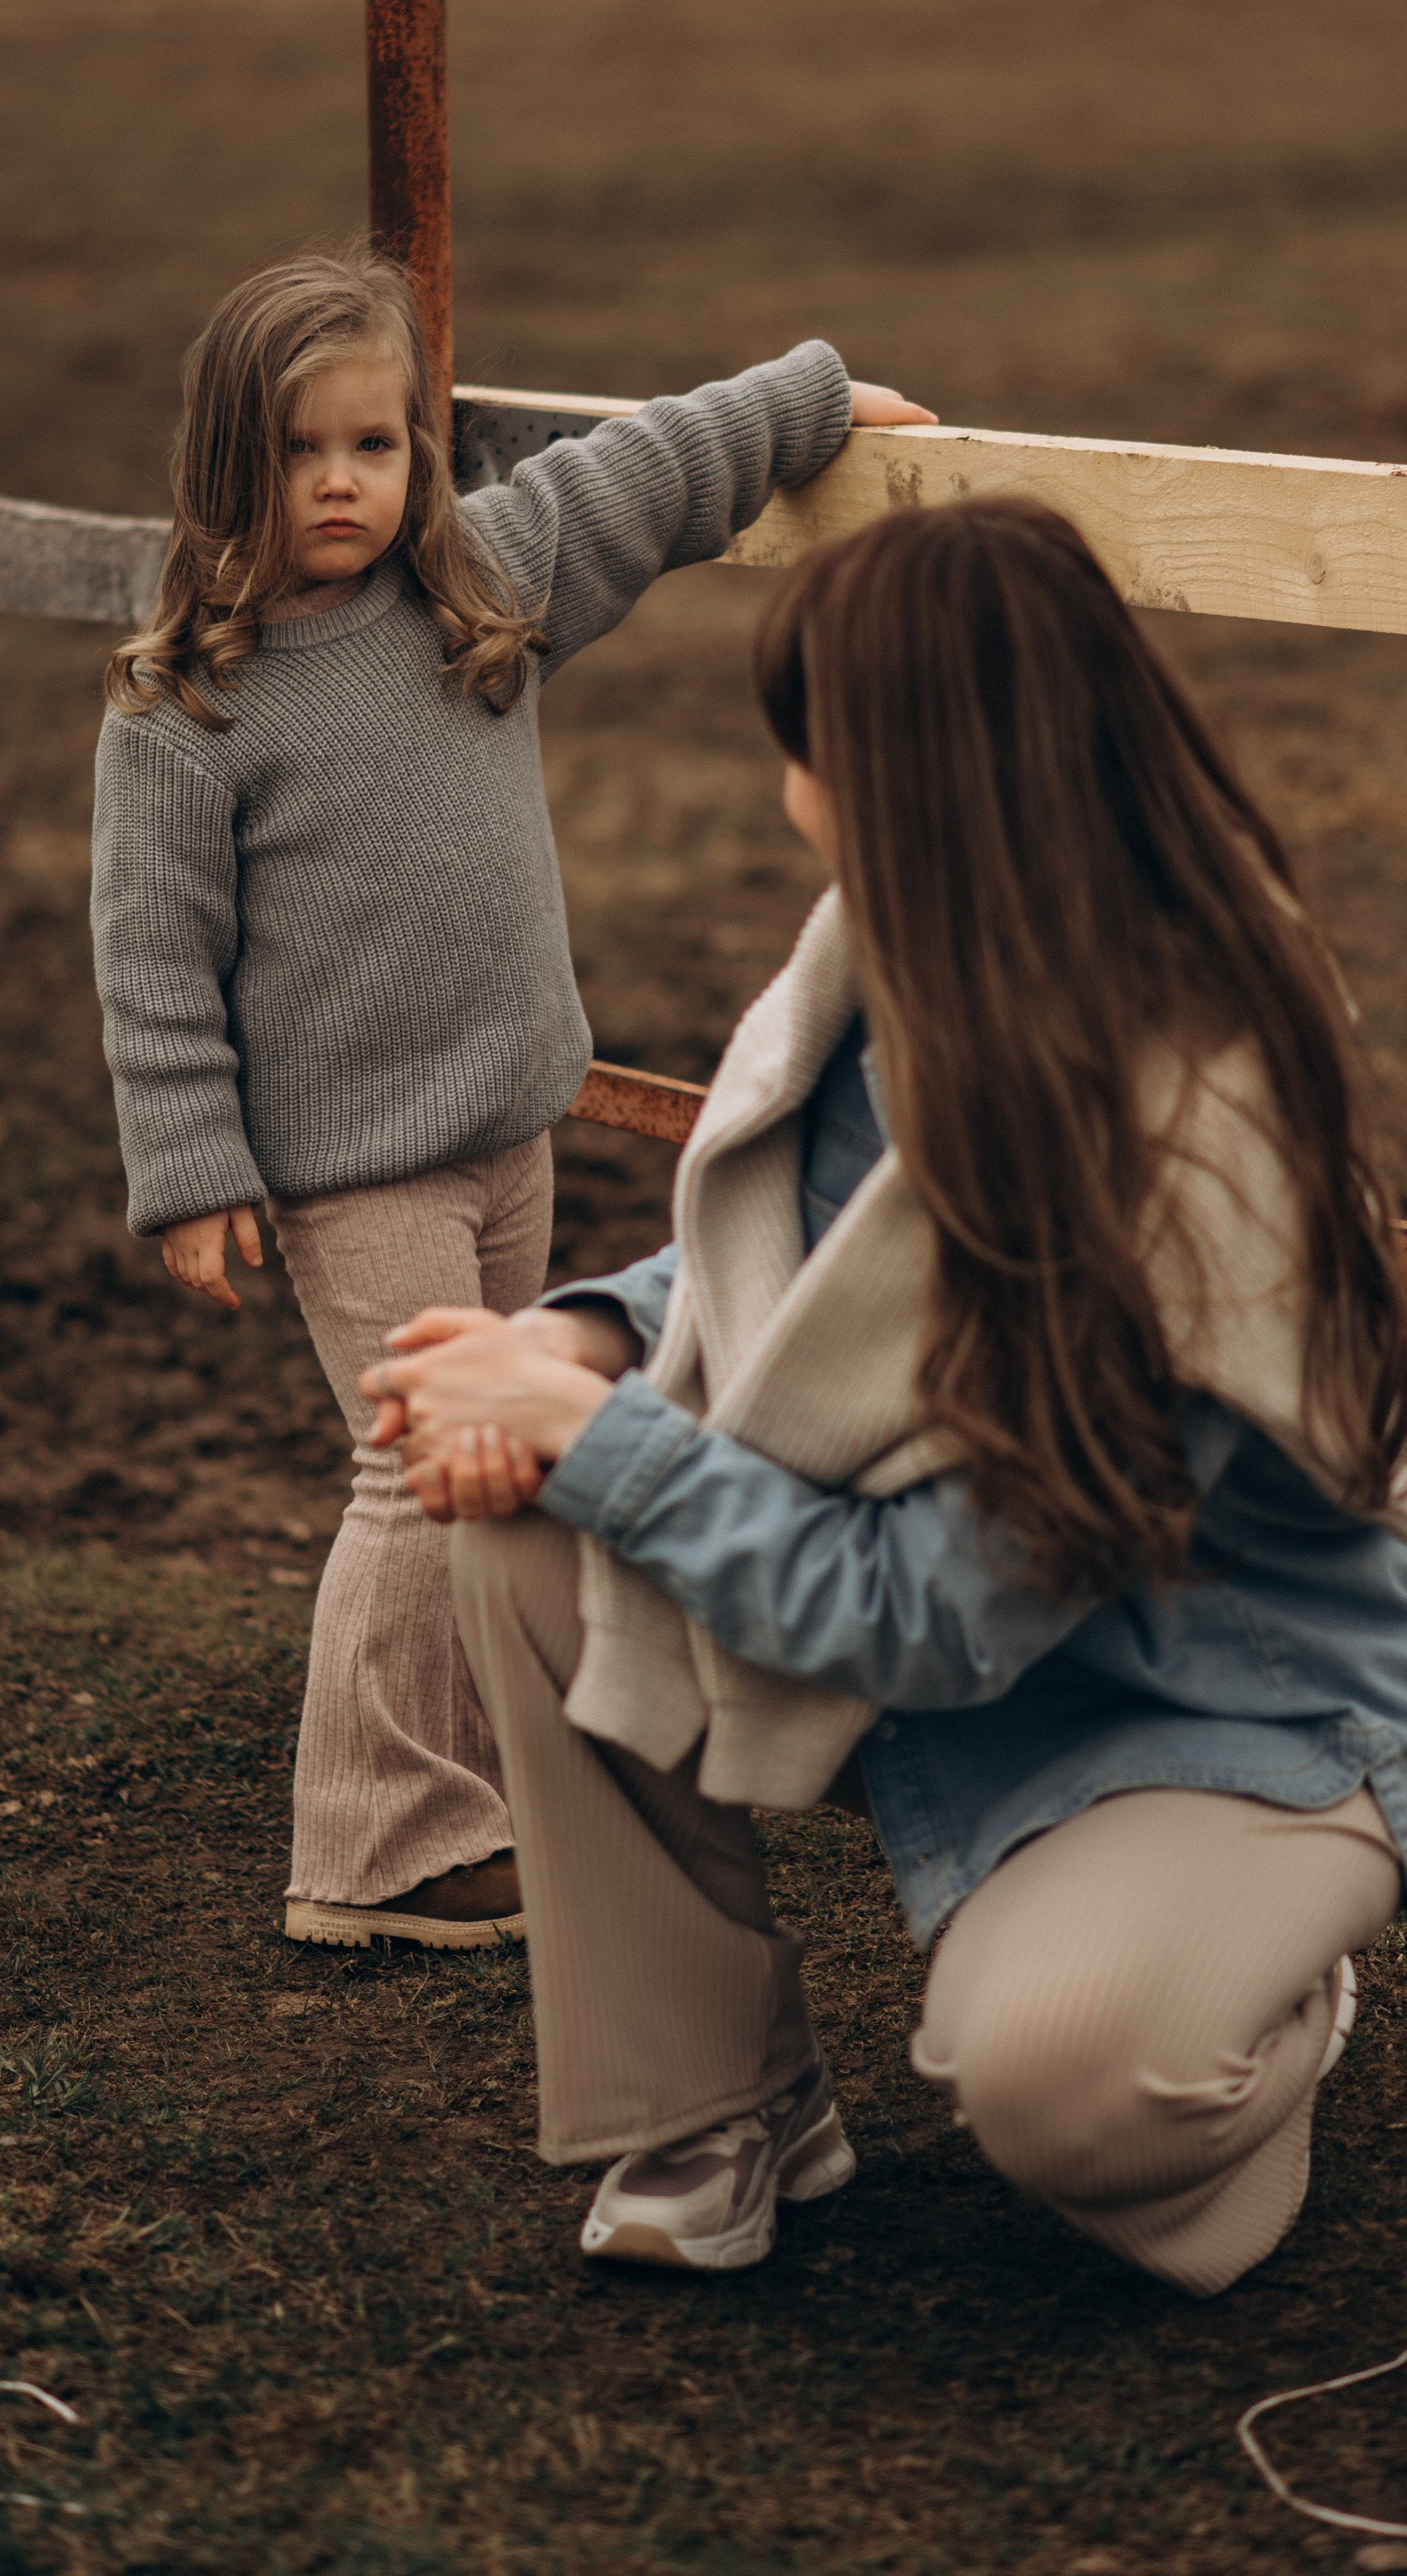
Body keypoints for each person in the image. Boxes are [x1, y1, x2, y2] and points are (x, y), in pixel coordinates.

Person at [360, 495, 1407, 2294]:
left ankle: (1269, 1999)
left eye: (805, 752)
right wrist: (585, 1347)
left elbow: (931, 1616)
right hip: (945, 1644)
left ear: (890, 777)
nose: (789, 794)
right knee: (516, 1536)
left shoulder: (1193, 1130)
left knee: (1062, 2095)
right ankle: (714, 2099)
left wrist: (617, 1446)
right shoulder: (899, 969)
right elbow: (802, 1288)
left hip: (1215, 1717)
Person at [89, 241, 934, 1952]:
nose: (342, 484)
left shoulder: (480, 584)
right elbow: (153, 960)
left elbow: (649, 471)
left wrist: (812, 401)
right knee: (415, 1464)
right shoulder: (186, 709)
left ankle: (473, 1793)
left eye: (377, 446)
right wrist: (189, 1170)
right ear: (225, 467)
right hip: (347, 1172)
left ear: (417, 452)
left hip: (503, 1129)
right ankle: (373, 1849)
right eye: (299, 452)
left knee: (499, 1458)